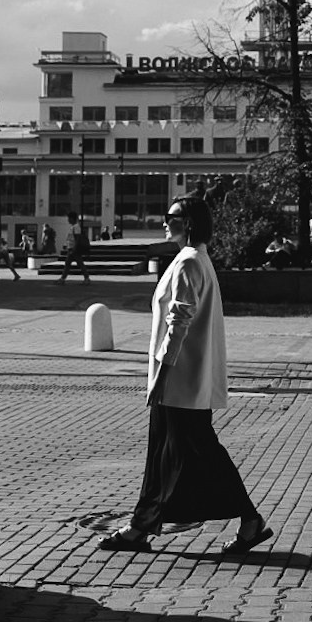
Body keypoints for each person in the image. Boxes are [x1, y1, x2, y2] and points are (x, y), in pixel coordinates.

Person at [99, 192, 271, 554]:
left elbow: (179, 323)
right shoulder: (196, 259)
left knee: (189, 453)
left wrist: (161, 376)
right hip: (187, 381)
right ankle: (143, 526)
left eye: (171, 217)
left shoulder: (189, 262)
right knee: (179, 454)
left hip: (179, 381)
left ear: (188, 223)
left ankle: (244, 520)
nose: (165, 222)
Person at [57, 218, 90, 284]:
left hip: (74, 249)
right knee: (69, 263)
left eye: (69, 218)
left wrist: (75, 248)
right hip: (71, 248)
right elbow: (71, 238)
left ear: (72, 218)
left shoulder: (76, 227)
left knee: (78, 263)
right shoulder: (73, 227)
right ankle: (62, 279)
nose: (68, 220)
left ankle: (86, 278)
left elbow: (77, 238)